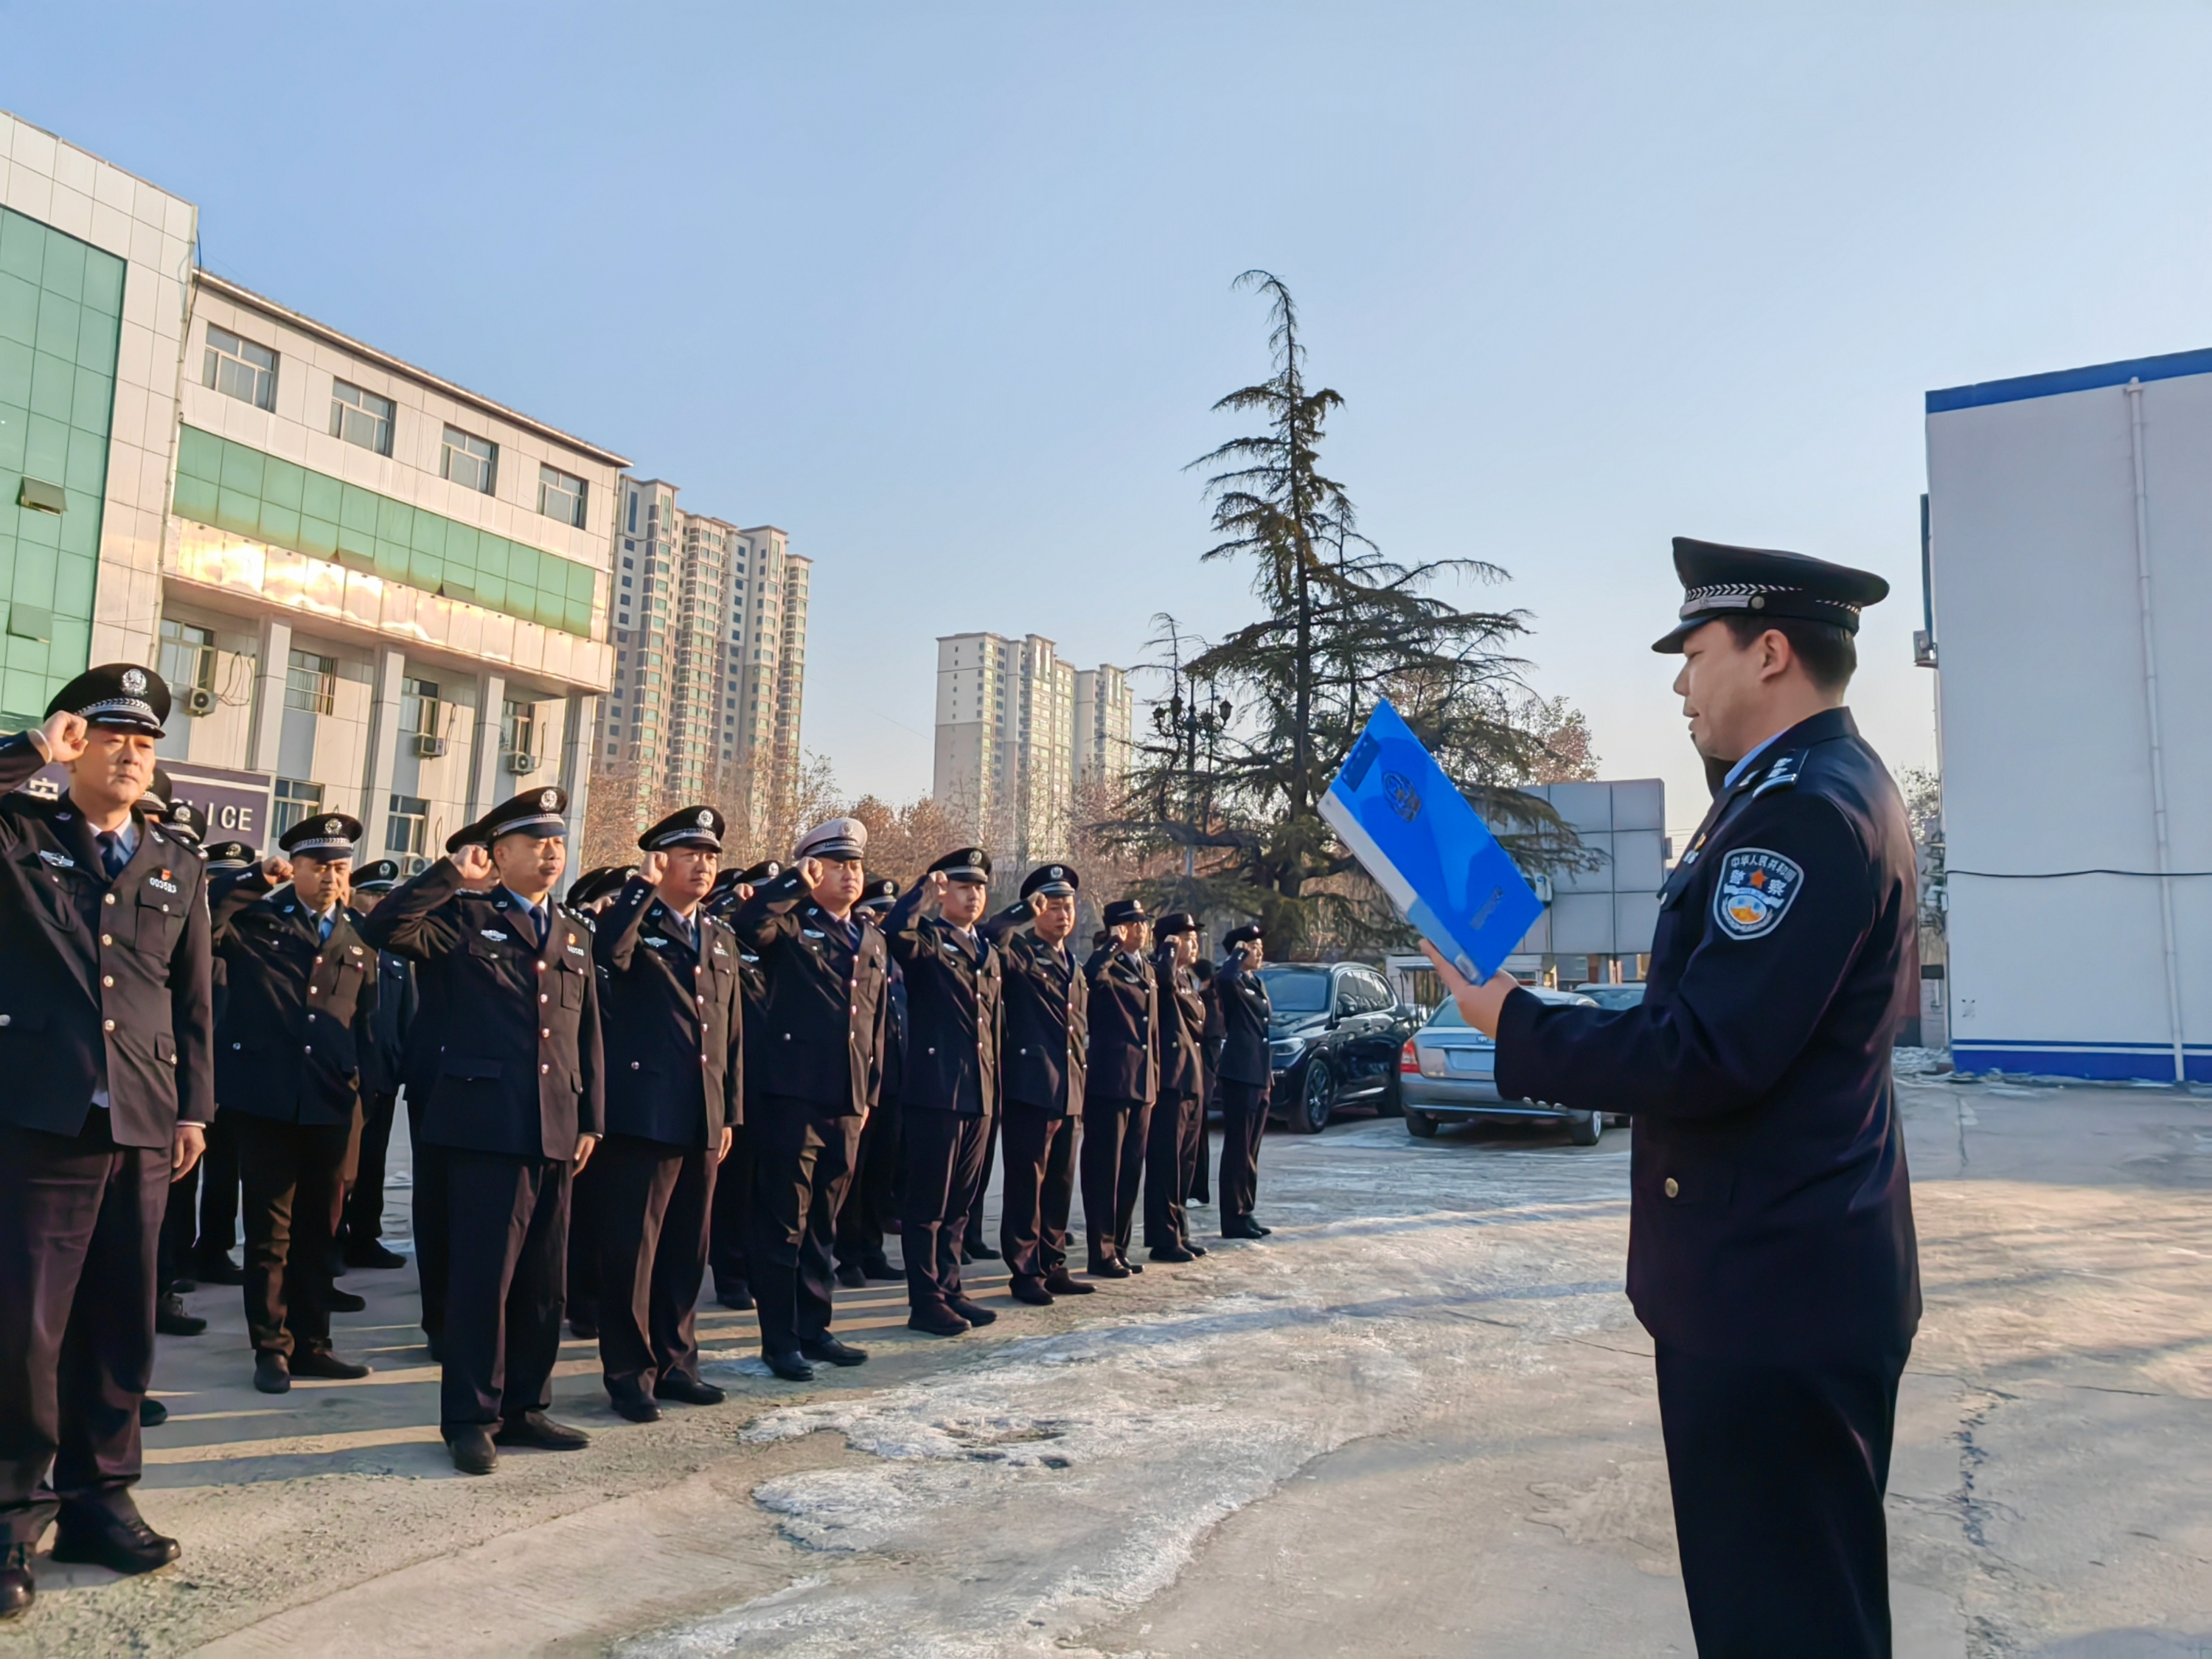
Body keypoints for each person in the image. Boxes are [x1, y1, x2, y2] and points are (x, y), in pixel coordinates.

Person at [1423, 537, 1917, 1656]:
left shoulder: (1799, 812)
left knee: (1785, 1621)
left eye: (1696, 653)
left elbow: (1705, 1050)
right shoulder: (1798, 790)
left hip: (1772, 1295)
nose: (1681, 683)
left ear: (1772, 653)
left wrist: (1513, 1020)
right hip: (1780, 1274)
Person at [0, 667, 213, 1618]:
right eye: (112, 735)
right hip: (42, 1116)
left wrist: (194, 1109)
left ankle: (99, 1497)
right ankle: (11, 1518)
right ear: (77, 743)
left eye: (146, 741)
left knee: (121, 1319)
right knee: (25, 1328)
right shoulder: (22, 833)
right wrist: (29, 752)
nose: (131, 753)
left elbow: (194, 998)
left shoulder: (177, 860)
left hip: (141, 1118)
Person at [358, 789, 603, 1476]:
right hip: (485, 1130)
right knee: (482, 1284)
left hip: (556, 1128)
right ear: (498, 855)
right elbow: (380, 928)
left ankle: (525, 1406)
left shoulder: (575, 932)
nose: (551, 852)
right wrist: (448, 877)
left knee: (542, 1285)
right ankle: (470, 1417)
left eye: (557, 840)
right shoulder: (460, 918)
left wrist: (592, 1119)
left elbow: (588, 1036)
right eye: (534, 842)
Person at [208, 815, 379, 1394]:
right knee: (269, 1235)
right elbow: (203, 922)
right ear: (295, 868)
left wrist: (362, 1096)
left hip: (331, 1103)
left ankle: (313, 1343)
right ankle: (271, 1349)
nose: (331, 876)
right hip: (267, 1101)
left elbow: (367, 1021)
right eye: (318, 865)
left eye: (339, 866)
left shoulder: (357, 937)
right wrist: (255, 880)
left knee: (319, 1233)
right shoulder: (257, 922)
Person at [589, 808, 743, 1421]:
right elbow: (607, 956)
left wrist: (730, 1111)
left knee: (687, 1249)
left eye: (710, 855)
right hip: (643, 1112)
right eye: (689, 854)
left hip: (703, 1115)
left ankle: (678, 1363)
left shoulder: (722, 936)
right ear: (660, 860)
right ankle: (629, 1373)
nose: (703, 865)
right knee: (633, 1253)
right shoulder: (630, 921)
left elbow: (730, 1035)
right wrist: (638, 888)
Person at [731, 822, 890, 1379]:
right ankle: (780, 1341)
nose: (851, 874)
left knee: (824, 1221)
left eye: (856, 866)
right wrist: (791, 884)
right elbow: (746, 927)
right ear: (813, 869)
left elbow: (872, 1025)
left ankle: (814, 1328)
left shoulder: (870, 937)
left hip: (845, 1100)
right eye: (837, 864)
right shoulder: (790, 924)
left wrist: (869, 1091)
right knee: (784, 1225)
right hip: (792, 1098)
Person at [883, 849, 1004, 1336]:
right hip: (936, 1091)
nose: (971, 895)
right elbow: (894, 935)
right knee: (928, 1206)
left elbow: (993, 1027)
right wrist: (918, 896)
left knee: (960, 1205)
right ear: (942, 892)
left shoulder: (988, 951)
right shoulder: (928, 940)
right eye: (960, 886)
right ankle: (926, 1300)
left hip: (979, 1092)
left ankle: (952, 1289)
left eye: (977, 887)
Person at [396, 821, 496, 1360]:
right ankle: (440, 1321)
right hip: (438, 1084)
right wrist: (448, 878)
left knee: (484, 1217)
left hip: (499, 1090)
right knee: (438, 1208)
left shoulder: (526, 922)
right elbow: (386, 924)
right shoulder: (441, 919)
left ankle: (477, 1318)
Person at [982, 863, 1094, 1305]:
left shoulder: (1074, 964)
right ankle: (1024, 1271)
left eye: (1067, 905)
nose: (1062, 913)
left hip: (1069, 1088)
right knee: (1027, 1182)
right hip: (1030, 1085)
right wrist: (1018, 913)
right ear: (1036, 909)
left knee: (1061, 1183)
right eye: (1051, 905)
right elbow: (991, 935)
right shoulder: (1020, 953)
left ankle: (1053, 1262)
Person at [706, 858, 776, 1312]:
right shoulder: (727, 937)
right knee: (736, 1187)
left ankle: (755, 1268)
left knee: (768, 1189)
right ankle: (731, 1274)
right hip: (739, 1080)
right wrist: (732, 901)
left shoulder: (785, 942)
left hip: (780, 1080)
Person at [338, 860, 414, 1272]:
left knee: (373, 1163)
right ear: (354, 895)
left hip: (383, 1073)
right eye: (374, 894)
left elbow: (406, 1012)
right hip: (349, 1073)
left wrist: (402, 1066)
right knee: (341, 1169)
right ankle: (332, 1241)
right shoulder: (346, 936)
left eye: (388, 895)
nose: (382, 901)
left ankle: (365, 1237)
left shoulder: (395, 948)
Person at [835, 877, 905, 1288]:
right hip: (857, 1078)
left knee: (880, 1172)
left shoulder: (885, 952)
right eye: (876, 913)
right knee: (853, 1175)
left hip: (889, 1078)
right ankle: (848, 1257)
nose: (881, 922)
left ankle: (871, 1249)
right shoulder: (860, 948)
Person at [1080, 898, 1157, 1277]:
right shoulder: (1105, 964)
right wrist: (1110, 946)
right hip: (1110, 1082)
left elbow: (1153, 1031)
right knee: (1104, 1171)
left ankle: (1121, 1247)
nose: (1139, 929)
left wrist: (1153, 1080)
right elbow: (1089, 978)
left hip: (1142, 1084)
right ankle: (1101, 1251)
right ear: (1115, 929)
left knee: (1129, 1170)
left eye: (1143, 922)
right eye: (1130, 924)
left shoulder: (1147, 968)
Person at [1144, 912, 1208, 1264]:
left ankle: (1180, 1231)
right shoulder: (1163, 972)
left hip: (1190, 1079)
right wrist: (1166, 952)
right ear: (1169, 941)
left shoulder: (1186, 977)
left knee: (1185, 1164)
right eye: (1187, 937)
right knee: (1166, 1165)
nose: (1195, 943)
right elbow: (1163, 984)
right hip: (1170, 1082)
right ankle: (1163, 1238)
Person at [1214, 923, 1273, 1241]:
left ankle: (1246, 1211)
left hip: (1258, 1075)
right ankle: (1232, 1217)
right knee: (1238, 1148)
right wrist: (1237, 953)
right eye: (1253, 946)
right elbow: (1224, 977)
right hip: (1240, 1075)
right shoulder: (1232, 982)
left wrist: (1267, 1078)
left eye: (1260, 946)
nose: (1259, 951)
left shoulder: (1256, 982)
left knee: (1251, 1149)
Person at [1189, 954, 1222, 1208]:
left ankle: (1197, 1189)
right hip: (1201, 1075)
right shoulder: (1208, 1001)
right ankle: (1196, 1190)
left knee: (1197, 1138)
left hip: (1204, 1075)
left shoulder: (1209, 1005)